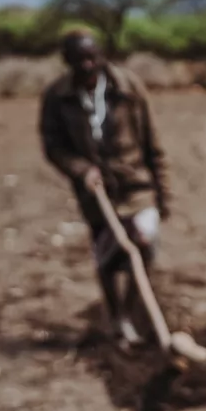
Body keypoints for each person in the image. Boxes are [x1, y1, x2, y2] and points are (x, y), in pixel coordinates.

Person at [39, 30, 170, 346]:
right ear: (67, 62)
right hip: (96, 193)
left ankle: (133, 311)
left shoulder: (128, 88)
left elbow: (152, 140)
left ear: (102, 56)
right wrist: (82, 170)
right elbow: (53, 146)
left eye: (91, 57)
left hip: (137, 185)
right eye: (79, 59)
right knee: (106, 258)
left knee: (144, 242)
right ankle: (117, 317)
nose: (87, 65)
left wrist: (162, 193)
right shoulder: (57, 97)